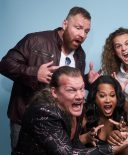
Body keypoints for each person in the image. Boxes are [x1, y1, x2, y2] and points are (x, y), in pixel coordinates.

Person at [0, 6, 100, 151]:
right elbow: (5, 64)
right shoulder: (36, 40)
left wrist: (87, 81)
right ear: (65, 24)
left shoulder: (80, 55)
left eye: (86, 31)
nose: (82, 34)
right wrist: (34, 73)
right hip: (25, 119)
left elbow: (67, 85)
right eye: (78, 28)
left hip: (60, 121)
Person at [13, 66, 128, 155]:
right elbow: (67, 153)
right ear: (54, 92)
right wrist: (111, 149)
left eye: (82, 89)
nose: (80, 96)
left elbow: (74, 145)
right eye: (71, 90)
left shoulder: (76, 110)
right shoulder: (44, 113)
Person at [79, 75, 128, 154]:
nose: (108, 100)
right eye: (102, 96)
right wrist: (86, 137)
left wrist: (127, 135)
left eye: (112, 95)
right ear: (94, 98)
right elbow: (68, 147)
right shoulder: (84, 112)